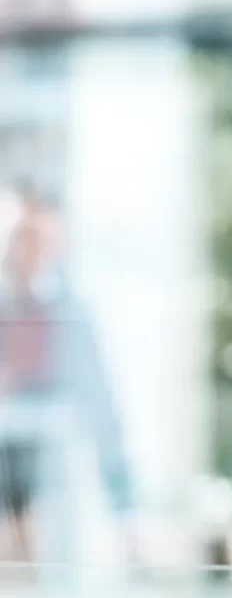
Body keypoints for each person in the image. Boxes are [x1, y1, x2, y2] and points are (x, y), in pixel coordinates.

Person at [0, 185, 136, 568]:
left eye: (37, 241)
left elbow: (105, 420)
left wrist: (126, 519)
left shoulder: (71, 321)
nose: (23, 253)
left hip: (52, 508)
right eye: (17, 238)